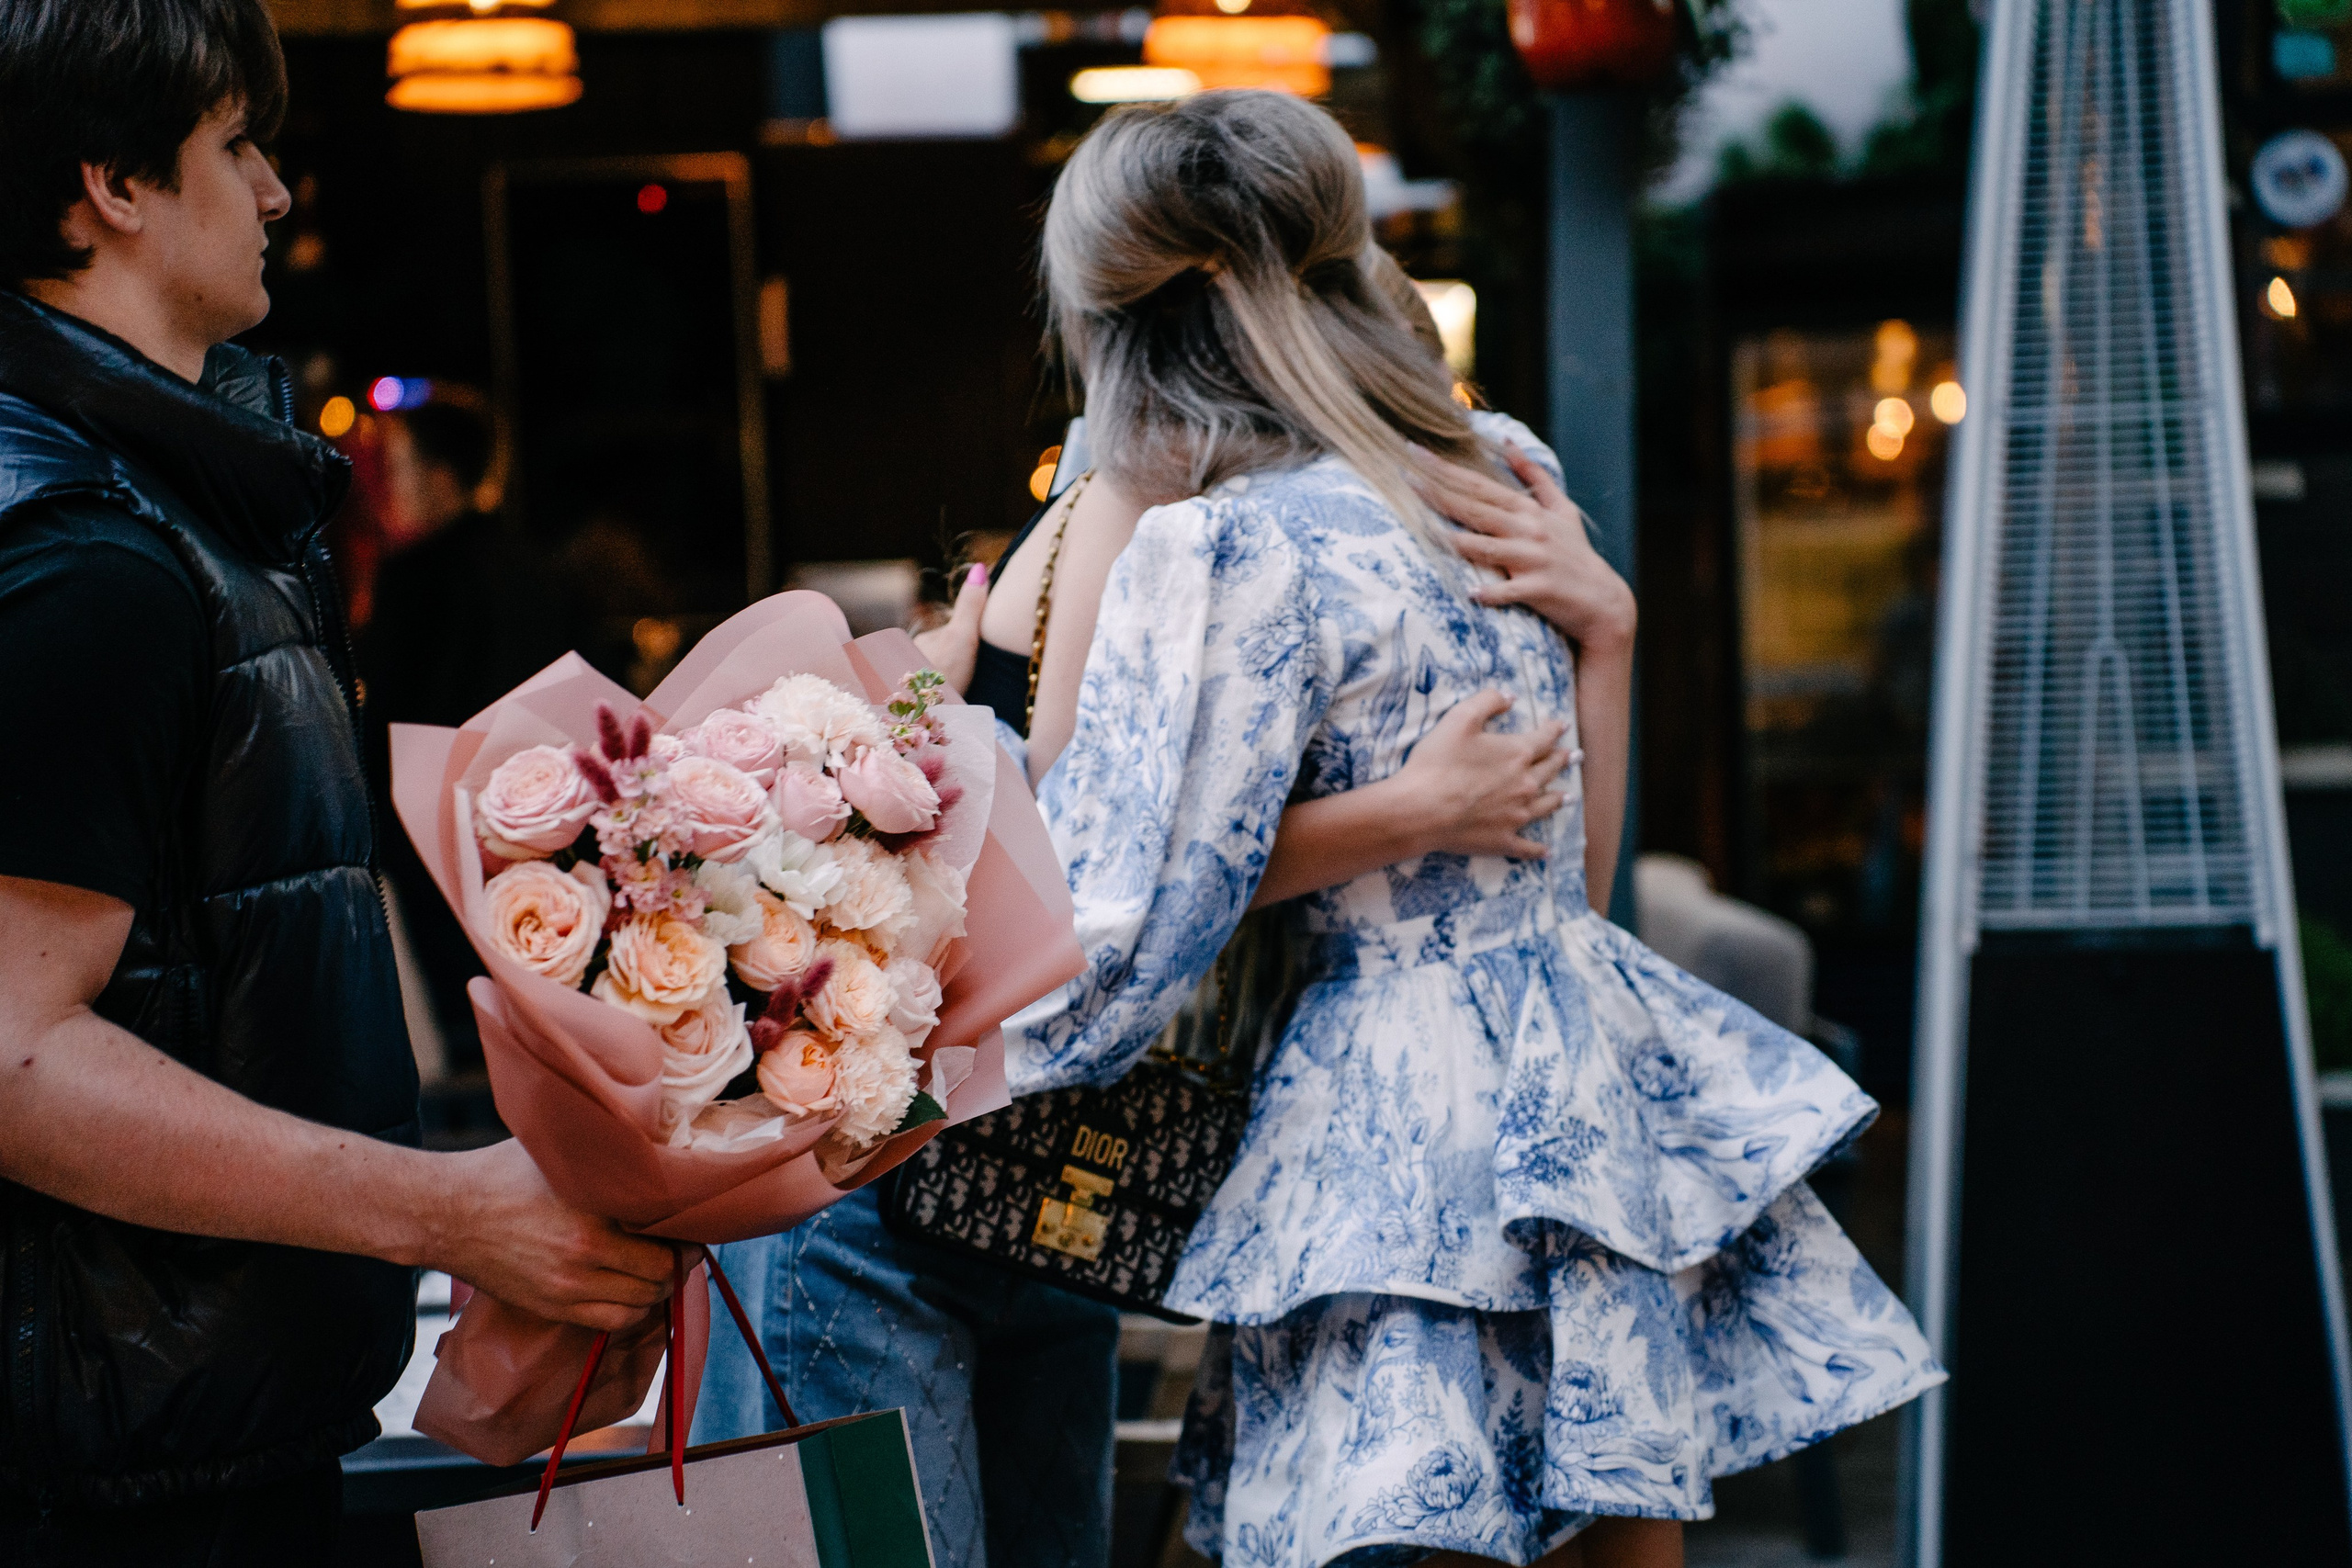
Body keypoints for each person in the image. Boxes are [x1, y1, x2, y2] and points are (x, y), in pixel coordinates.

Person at [1001, 91, 1945, 1568]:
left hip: (1392, 1122)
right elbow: (1573, 879)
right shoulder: (1500, 467)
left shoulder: (1225, 545)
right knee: (1612, 1527)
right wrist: (1603, 637)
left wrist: (910, 1054)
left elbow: (1121, 918)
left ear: (1115, 320)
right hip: (1579, 1066)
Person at [695, 225, 1626, 1568]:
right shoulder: (1164, 513)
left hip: (1035, 1169)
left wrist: (1604, 631)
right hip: (935, 1158)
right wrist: (1404, 816)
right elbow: (1103, 878)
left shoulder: (1209, 524)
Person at [0, 5, 675, 1562]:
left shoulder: (179, 505)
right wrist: (446, 1209)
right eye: (238, 144)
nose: (276, 190)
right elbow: (19, 1053)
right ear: (112, 183)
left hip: (188, 1428)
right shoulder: (90, 551)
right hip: (118, 1480)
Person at [359, 395, 575, 1070]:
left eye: (396, 468)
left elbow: (396, 711)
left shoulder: (416, 578)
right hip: (541, 816)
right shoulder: (534, 567)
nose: (386, 488)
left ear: (441, 476)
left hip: (435, 823)